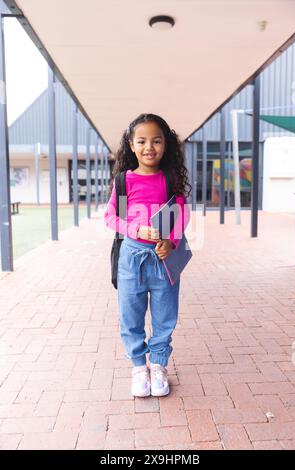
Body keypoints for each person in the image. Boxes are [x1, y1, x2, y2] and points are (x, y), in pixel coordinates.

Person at [104, 113, 191, 398]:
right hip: (131, 258)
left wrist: (173, 241)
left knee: (165, 316)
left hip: (163, 257)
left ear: (166, 145)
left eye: (156, 140)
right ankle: (139, 368)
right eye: (141, 141)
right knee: (131, 317)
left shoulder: (170, 178)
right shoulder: (123, 181)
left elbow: (182, 213)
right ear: (130, 145)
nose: (149, 147)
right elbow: (110, 218)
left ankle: (158, 365)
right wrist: (135, 228)